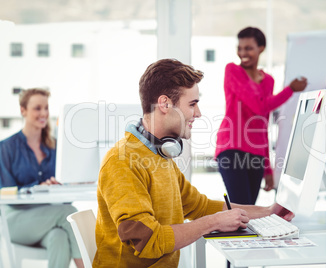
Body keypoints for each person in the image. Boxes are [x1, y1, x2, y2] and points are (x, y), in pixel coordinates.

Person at [93, 58, 294, 268]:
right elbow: (146, 240)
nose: (198, 113)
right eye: (192, 104)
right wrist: (214, 222)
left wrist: (268, 212)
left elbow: (200, 206)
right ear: (164, 103)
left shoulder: (160, 156)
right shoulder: (122, 161)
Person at [214, 27, 308, 205]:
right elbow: (258, 106)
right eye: (240, 48)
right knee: (242, 209)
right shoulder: (233, 71)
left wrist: (268, 169)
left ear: (261, 48)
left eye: (248, 48)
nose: (243, 53)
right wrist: (290, 90)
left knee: (249, 210)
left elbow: (261, 122)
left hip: (256, 152)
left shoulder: (268, 80)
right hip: (232, 148)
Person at [0, 88, 84, 268]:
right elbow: (6, 192)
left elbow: (62, 197)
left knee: (59, 237)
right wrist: (39, 186)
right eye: (37, 108)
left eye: (46, 108)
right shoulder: (6, 148)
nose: (44, 113)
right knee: (68, 212)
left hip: (49, 218)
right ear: (23, 110)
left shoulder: (54, 149)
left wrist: (70, 184)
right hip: (15, 221)